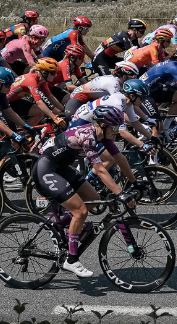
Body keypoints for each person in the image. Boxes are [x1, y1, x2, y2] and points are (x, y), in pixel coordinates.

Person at [31, 103, 133, 277]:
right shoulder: (88, 136)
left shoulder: (104, 136)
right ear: (103, 125)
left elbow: (119, 158)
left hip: (61, 168)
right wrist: (120, 193)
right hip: (46, 170)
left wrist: (135, 181)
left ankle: (65, 224)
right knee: (80, 211)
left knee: (93, 199)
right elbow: (100, 170)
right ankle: (71, 260)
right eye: (114, 127)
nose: (116, 131)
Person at [6, 58, 69, 127]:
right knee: (38, 112)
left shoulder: (41, 80)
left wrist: (64, 111)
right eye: (53, 73)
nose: (55, 75)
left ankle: (28, 132)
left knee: (39, 113)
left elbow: (50, 97)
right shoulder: (32, 80)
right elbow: (39, 102)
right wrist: (54, 118)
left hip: (14, 100)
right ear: (44, 73)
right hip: (4, 102)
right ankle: (27, 134)